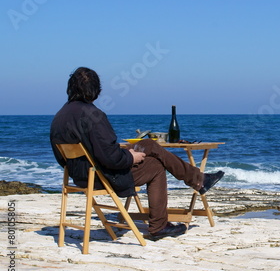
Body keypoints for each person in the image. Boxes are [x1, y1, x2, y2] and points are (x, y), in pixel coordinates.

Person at [50, 67, 224, 239]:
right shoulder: (93, 115)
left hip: (80, 176)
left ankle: (199, 179)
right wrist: (130, 157)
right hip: (102, 177)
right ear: (96, 90)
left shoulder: (59, 117)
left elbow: (64, 158)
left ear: (71, 88)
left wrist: (121, 152)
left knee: (148, 144)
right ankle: (159, 226)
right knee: (156, 166)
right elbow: (112, 159)